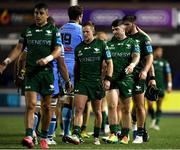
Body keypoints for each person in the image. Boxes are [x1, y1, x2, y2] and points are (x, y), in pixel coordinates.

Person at [0, 3, 63, 149]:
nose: (38, 16)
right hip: (31, 73)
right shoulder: (28, 30)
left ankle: (44, 136)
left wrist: (47, 59)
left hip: (47, 73)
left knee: (47, 107)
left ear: (47, 14)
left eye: (41, 13)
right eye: (36, 13)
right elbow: (18, 48)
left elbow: (58, 50)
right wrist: (6, 62)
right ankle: (29, 135)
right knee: (31, 105)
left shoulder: (53, 30)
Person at [65, 21, 113, 145]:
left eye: (87, 31)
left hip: (96, 83)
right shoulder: (79, 48)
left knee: (97, 111)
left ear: (93, 32)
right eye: (83, 32)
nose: (85, 34)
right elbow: (76, 67)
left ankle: (96, 136)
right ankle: (76, 134)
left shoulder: (101, 44)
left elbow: (110, 63)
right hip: (82, 83)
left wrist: (108, 79)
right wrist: (73, 82)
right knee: (79, 108)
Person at [102, 19, 140, 144]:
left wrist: (132, 65)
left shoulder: (132, 42)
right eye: (112, 29)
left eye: (116, 29)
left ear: (123, 28)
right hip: (112, 78)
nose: (114, 31)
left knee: (125, 109)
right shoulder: (108, 44)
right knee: (112, 106)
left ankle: (125, 135)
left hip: (126, 78)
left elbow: (136, 56)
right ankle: (113, 133)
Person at [122, 15, 153, 143]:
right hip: (124, 76)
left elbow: (149, 58)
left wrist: (148, 74)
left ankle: (140, 133)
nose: (125, 27)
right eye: (123, 25)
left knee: (139, 105)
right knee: (123, 106)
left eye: (127, 24)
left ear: (134, 24)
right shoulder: (123, 37)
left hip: (138, 75)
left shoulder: (143, 39)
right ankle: (124, 133)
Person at [59, 5, 84, 141]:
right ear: (80, 16)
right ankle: (69, 132)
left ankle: (64, 131)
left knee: (62, 99)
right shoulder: (82, 30)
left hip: (61, 66)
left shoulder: (60, 29)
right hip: (75, 66)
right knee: (74, 100)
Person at [147, 46, 172, 130]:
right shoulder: (150, 61)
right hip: (150, 87)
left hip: (161, 87)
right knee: (150, 105)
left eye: (161, 52)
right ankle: (153, 118)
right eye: (159, 51)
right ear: (155, 51)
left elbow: (168, 74)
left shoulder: (165, 62)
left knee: (159, 106)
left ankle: (156, 123)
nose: (160, 53)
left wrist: (169, 86)